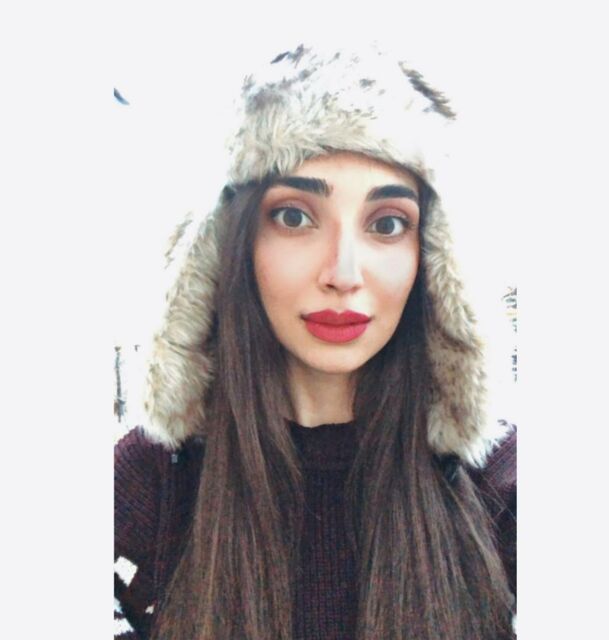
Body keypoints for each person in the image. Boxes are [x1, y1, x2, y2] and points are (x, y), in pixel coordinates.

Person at [114, 43, 516, 640]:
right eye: (295, 217)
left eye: (387, 224)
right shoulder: (149, 486)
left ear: (431, 257)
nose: (343, 273)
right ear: (236, 244)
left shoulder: (501, 486)